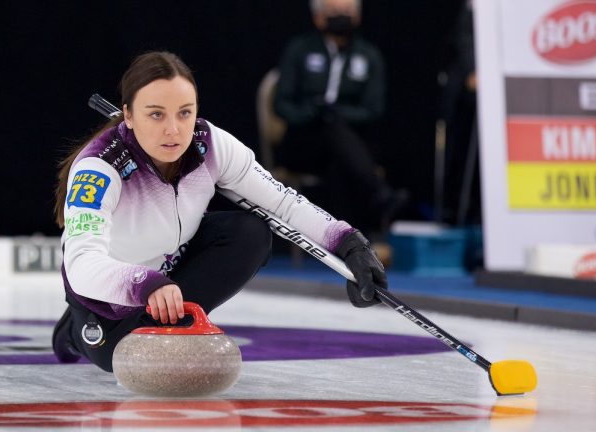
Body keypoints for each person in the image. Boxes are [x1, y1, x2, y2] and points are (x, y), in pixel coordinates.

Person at [52, 51, 388, 373]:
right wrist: (145, 285)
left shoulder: (210, 144)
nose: (173, 130)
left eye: (184, 112)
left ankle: (164, 325)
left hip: (168, 270)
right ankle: (72, 333)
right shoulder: (99, 169)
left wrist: (348, 243)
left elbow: (283, 203)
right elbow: (81, 264)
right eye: (156, 114)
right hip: (108, 298)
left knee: (251, 234)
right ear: (128, 115)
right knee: (123, 360)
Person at [273, 0, 406, 234]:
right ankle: (378, 195)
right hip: (303, 142)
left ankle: (340, 239)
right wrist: (314, 112)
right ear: (318, 17)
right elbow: (281, 105)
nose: (341, 17)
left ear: (357, 17)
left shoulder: (369, 55)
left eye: (347, 12)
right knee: (332, 132)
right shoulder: (300, 49)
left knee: (339, 144)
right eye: (334, 12)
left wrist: (336, 113)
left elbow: (373, 110)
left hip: (349, 142)